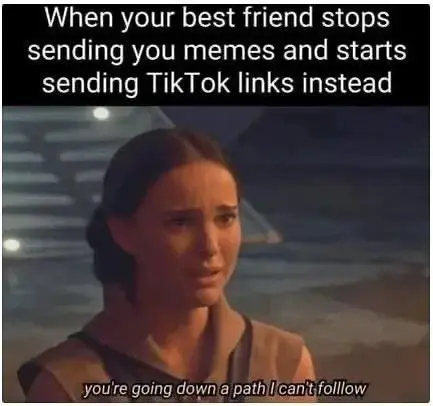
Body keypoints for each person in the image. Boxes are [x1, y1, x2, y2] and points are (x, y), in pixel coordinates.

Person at [17, 127, 316, 402]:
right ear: (124, 232)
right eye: (180, 222)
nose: (210, 246)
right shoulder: (68, 385)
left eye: (225, 218)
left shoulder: (282, 362)